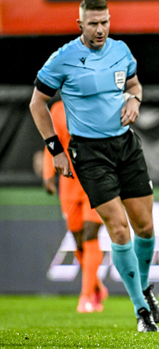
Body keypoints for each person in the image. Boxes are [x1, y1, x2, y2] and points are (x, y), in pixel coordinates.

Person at [29, 0, 159, 333]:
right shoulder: (63, 59)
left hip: (126, 146)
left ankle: (144, 287)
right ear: (80, 25)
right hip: (89, 153)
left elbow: (134, 85)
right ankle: (140, 310)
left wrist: (134, 99)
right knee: (119, 229)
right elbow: (37, 103)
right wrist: (55, 149)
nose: (100, 29)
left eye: (104, 22)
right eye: (93, 23)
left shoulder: (121, 51)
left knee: (144, 227)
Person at [43, 100, 108, 313]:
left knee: (91, 234)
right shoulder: (57, 109)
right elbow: (52, 141)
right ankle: (96, 286)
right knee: (78, 239)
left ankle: (86, 296)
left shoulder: (97, 103)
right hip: (69, 182)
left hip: (95, 179)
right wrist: (48, 174)